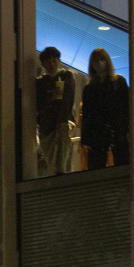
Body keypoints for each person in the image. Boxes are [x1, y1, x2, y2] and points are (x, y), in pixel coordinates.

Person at [80, 48, 129, 169]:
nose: (99, 63)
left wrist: (126, 129)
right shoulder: (89, 88)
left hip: (116, 131)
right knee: (97, 166)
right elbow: (87, 114)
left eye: (102, 59)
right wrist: (86, 138)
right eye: (95, 61)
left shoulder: (119, 82)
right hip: (98, 133)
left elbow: (126, 107)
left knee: (121, 164)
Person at [36, 46, 76, 176]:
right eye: (48, 61)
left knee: (62, 160)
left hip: (62, 123)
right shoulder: (40, 82)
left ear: (59, 61)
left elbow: (68, 99)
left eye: (54, 60)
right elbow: (39, 104)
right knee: (50, 160)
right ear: (43, 64)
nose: (52, 64)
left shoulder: (66, 76)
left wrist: (62, 121)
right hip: (47, 126)